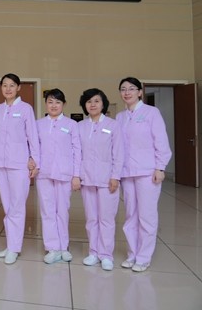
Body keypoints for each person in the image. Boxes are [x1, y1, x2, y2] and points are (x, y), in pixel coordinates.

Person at [116, 77, 172, 272]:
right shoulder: (120, 117)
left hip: (148, 172)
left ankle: (144, 257)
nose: (127, 92)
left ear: (140, 92)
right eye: (123, 89)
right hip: (127, 172)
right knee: (130, 215)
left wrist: (160, 167)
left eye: (132, 88)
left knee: (146, 216)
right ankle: (132, 254)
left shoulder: (151, 112)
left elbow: (161, 141)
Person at [0, 73, 40, 265]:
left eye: (12, 85)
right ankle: (11, 244)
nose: (8, 89)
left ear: (18, 87)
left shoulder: (26, 109)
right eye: (4, 85)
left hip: (19, 164)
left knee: (17, 206)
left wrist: (34, 160)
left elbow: (33, 136)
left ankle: (14, 247)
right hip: (0, 164)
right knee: (7, 206)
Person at [78, 88, 124, 271]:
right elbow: (77, 153)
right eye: (89, 101)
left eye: (96, 101)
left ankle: (106, 255)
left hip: (107, 180)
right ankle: (93, 252)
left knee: (106, 219)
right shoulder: (80, 126)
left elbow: (119, 153)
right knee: (91, 218)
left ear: (103, 104)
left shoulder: (113, 125)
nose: (93, 104)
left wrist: (115, 176)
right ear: (84, 105)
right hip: (87, 178)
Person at [36, 88, 81, 264]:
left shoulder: (72, 125)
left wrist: (76, 175)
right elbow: (34, 148)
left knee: (62, 211)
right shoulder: (39, 124)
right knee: (47, 211)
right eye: (50, 102)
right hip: (44, 174)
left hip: (64, 174)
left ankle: (64, 247)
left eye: (57, 102)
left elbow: (77, 151)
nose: (54, 105)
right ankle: (52, 248)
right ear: (45, 104)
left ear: (64, 104)